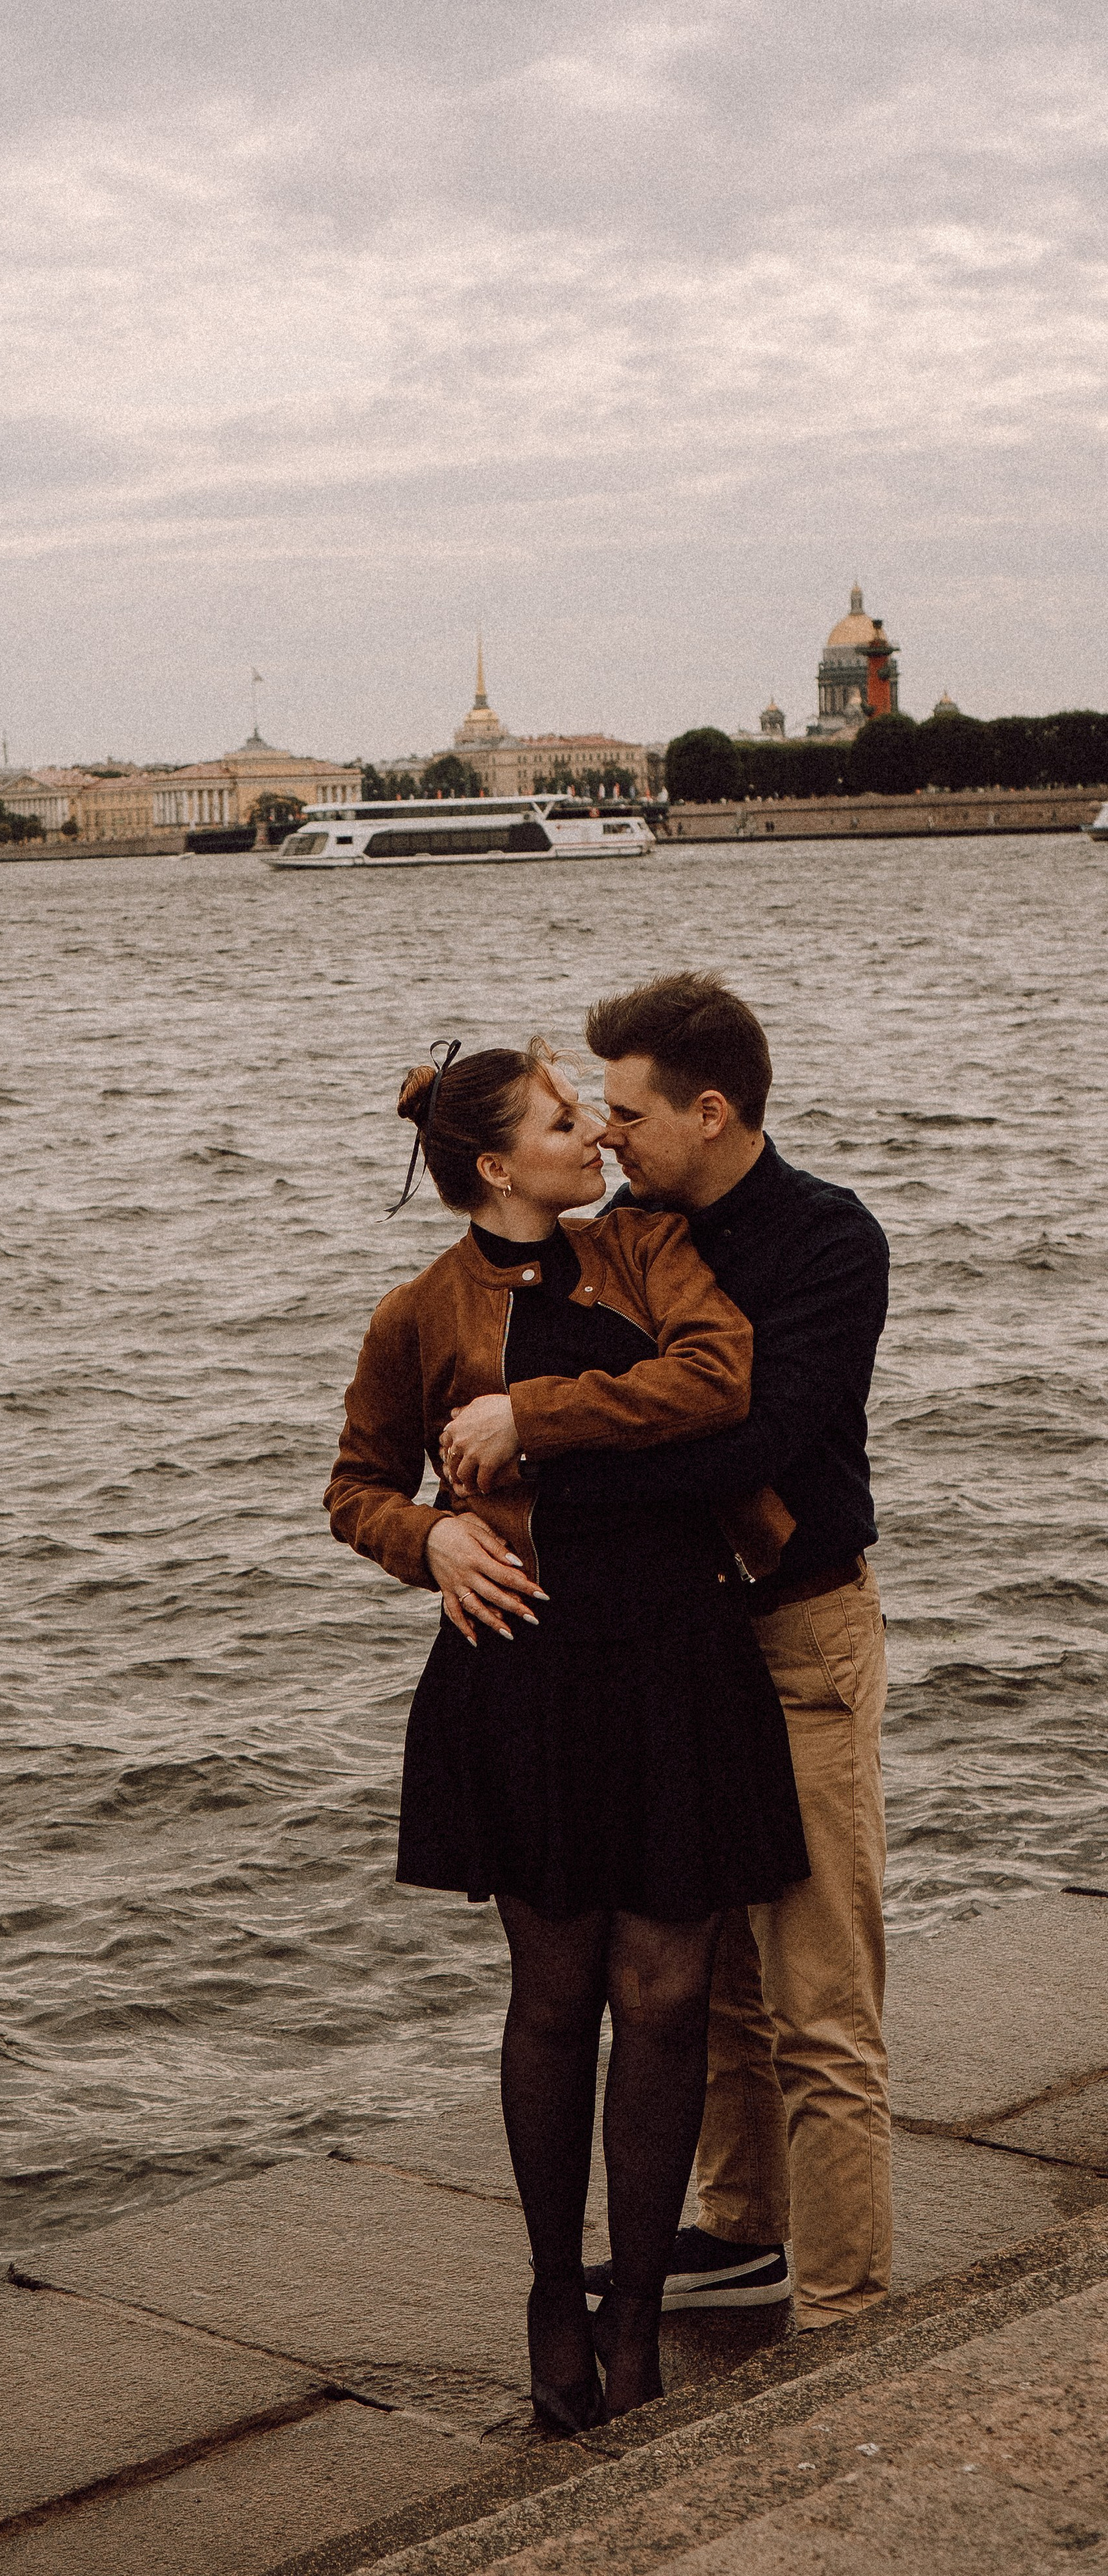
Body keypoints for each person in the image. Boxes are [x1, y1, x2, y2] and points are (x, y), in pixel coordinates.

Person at [325, 1037, 809, 2429]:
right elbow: (354, 1485)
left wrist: (529, 1416)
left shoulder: (646, 1251)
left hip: (675, 1657)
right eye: (558, 1120)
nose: (592, 1133)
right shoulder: (418, 1312)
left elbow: (717, 1380)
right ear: (495, 1165)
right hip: (525, 1671)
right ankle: (552, 2292)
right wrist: (427, 1541)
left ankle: (638, 2312)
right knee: (553, 1999)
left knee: (665, 1998)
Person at [539, 973, 891, 2333]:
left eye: (627, 1112)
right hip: (685, 1643)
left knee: (820, 1999)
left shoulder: (827, 1238)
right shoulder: (631, 1233)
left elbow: (758, 1438)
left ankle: (848, 2315)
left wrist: (556, 1452)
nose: (606, 1133)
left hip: (802, 1632)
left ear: (711, 1110)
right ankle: (744, 2229)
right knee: (717, 1977)